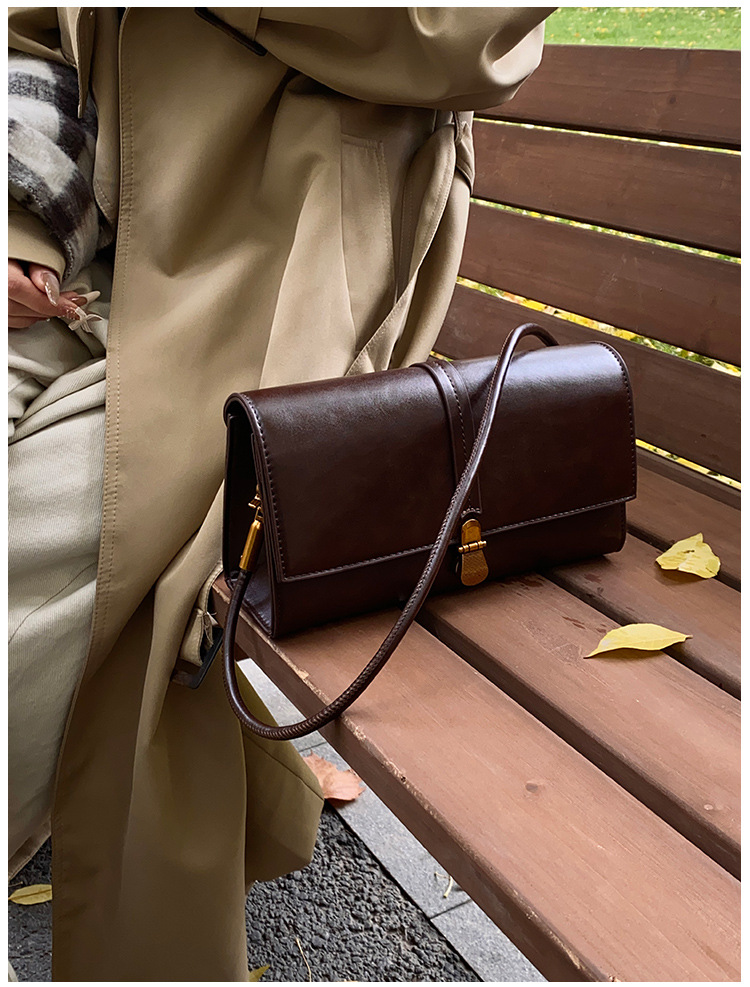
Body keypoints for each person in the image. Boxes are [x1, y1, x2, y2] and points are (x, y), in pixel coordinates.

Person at [8, 7, 553, 980]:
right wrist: (22, 217)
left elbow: (467, 33)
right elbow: (40, 33)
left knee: (58, 567)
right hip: (86, 249)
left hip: (280, 278)